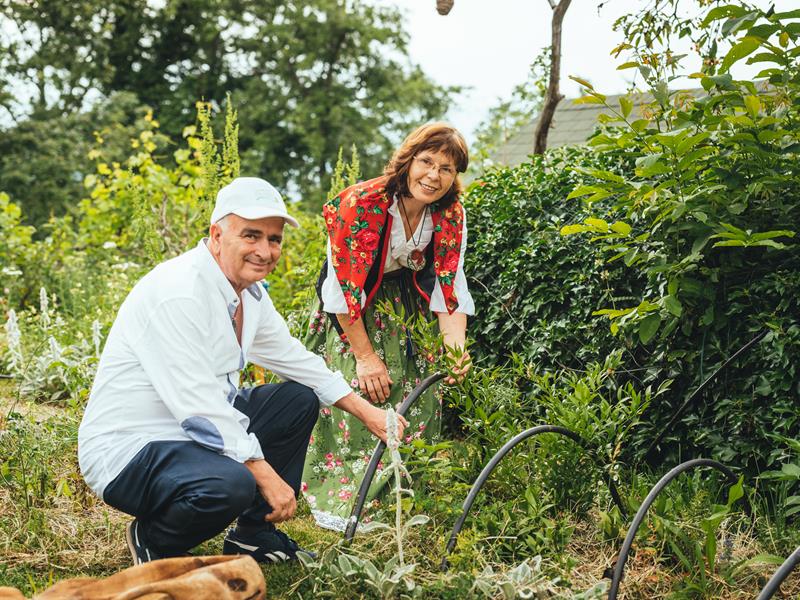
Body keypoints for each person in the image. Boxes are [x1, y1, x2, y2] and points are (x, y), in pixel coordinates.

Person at [78, 177, 406, 566]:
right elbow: (200, 409)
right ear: (217, 235)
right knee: (232, 484)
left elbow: (294, 358)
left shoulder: (248, 294)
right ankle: (155, 539)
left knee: (297, 399)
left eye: (274, 239)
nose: (265, 251)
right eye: (251, 236)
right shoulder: (179, 293)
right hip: (132, 449)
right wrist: (263, 473)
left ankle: (253, 536)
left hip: (189, 434)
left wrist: (366, 411)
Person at [302, 123, 474, 530]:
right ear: (408, 161)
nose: (433, 176)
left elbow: (449, 286)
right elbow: (343, 291)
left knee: (419, 392)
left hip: (406, 304)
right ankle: (352, 494)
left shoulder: (449, 213)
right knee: (363, 388)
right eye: (426, 162)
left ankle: (407, 490)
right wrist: (365, 357)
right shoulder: (362, 205)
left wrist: (455, 351)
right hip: (353, 307)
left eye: (446, 169)